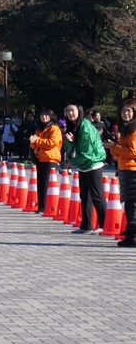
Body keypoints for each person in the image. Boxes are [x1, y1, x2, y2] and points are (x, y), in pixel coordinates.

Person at [64, 103, 106, 234]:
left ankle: (105, 224)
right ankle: (86, 225)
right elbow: (69, 149)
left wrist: (73, 163)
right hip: (84, 166)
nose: (70, 113)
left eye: (73, 110)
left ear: (79, 111)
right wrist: (70, 141)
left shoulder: (85, 127)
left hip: (93, 164)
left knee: (97, 196)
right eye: (68, 111)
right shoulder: (74, 126)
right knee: (85, 196)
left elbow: (87, 153)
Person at [106, 99, 136, 248]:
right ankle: (131, 233)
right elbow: (121, 151)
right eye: (123, 111)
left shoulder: (134, 130)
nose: (126, 114)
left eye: (129, 111)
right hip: (125, 168)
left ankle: (133, 235)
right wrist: (113, 147)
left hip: (133, 170)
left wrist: (115, 147)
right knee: (129, 203)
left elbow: (133, 152)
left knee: (132, 203)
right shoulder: (126, 129)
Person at [29, 110, 62, 214]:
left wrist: (37, 140)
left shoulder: (54, 128)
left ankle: (46, 207)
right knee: (41, 184)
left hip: (50, 159)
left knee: (47, 184)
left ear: (51, 116)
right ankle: (41, 206)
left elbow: (52, 143)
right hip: (40, 158)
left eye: (46, 115)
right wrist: (33, 142)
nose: (44, 117)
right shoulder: (39, 129)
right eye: (42, 115)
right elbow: (34, 145)